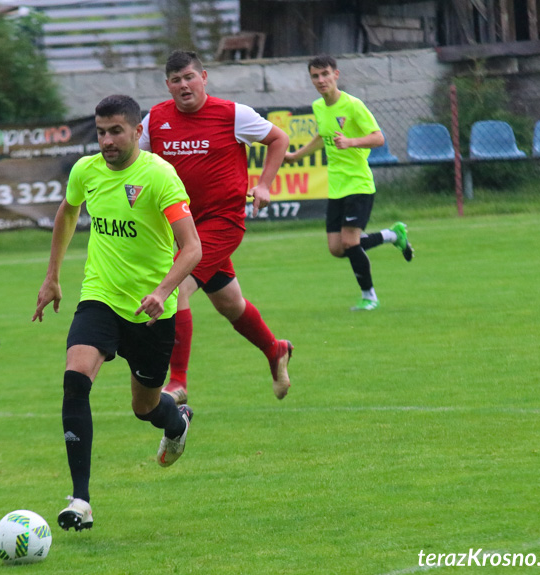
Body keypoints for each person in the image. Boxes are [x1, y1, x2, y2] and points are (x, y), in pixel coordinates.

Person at [33, 95, 202, 532]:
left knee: (144, 408)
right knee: (75, 380)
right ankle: (81, 500)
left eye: (115, 132)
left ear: (136, 132)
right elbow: (67, 214)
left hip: (150, 314)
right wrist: (52, 276)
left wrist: (163, 290)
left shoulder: (159, 176)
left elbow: (192, 247)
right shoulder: (85, 171)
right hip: (100, 297)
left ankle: (176, 420)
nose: (106, 140)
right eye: (101, 131)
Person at [139, 50, 293, 405]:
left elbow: (279, 139)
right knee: (230, 303)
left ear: (204, 77)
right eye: (176, 80)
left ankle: (178, 382)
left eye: (190, 77)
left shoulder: (232, 114)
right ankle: (275, 349)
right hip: (182, 227)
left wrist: (265, 184)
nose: (184, 85)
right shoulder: (155, 120)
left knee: (175, 289)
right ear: (168, 85)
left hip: (222, 222)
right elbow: (140, 163)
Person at [284, 55, 414, 311]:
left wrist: (351, 142)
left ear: (336, 75)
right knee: (337, 248)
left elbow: (377, 138)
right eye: (315, 76)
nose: (321, 80)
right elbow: (323, 136)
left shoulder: (353, 105)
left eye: (325, 74)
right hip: (337, 187)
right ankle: (392, 235)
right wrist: (297, 155)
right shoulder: (319, 107)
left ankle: (369, 296)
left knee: (351, 242)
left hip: (359, 184)